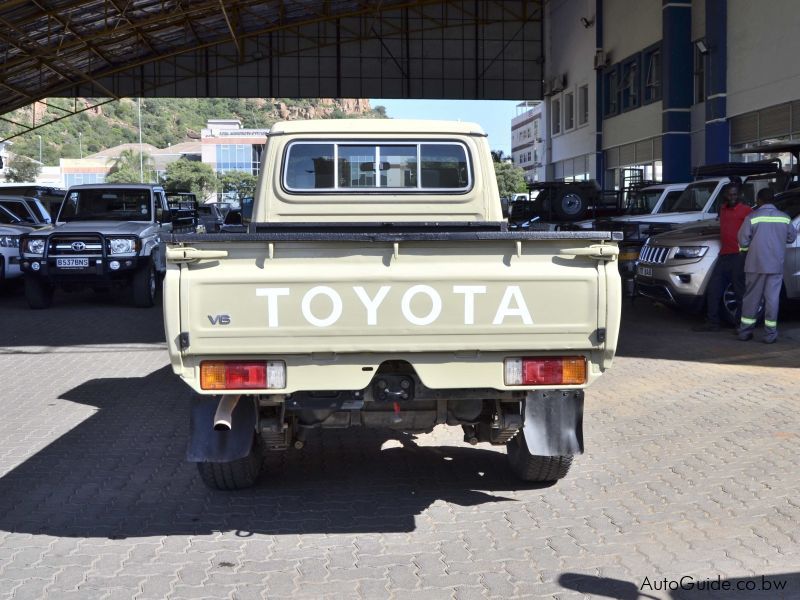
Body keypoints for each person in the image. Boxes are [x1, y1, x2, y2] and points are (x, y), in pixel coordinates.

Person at [737, 188, 798, 343]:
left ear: (759, 200)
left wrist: (746, 251)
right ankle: (770, 335)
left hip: (755, 265)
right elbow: (791, 238)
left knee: (751, 298)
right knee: (772, 299)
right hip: (775, 265)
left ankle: (745, 332)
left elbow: (743, 241)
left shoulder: (752, 217)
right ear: (773, 200)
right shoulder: (784, 218)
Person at [693, 183, 751, 331]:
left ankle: (741, 325)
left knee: (739, 292)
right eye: (730, 194)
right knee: (713, 289)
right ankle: (713, 323)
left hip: (739, 256)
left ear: (739, 195)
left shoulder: (747, 211)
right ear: (725, 195)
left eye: (735, 194)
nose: (732, 197)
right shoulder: (723, 209)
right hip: (724, 255)